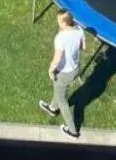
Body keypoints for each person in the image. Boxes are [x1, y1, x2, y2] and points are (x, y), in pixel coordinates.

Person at [39, 10, 84, 139]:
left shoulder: (60, 38)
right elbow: (83, 47)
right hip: (75, 69)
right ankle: (53, 109)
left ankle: (73, 131)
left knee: (62, 101)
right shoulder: (79, 30)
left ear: (64, 22)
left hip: (64, 72)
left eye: (58, 20)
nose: (57, 22)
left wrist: (50, 70)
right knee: (59, 91)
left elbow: (57, 58)